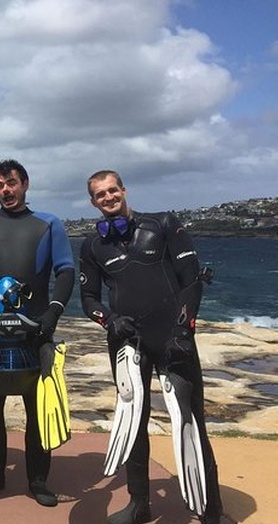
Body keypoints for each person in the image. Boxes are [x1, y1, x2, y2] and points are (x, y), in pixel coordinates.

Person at [79, 170, 222, 524]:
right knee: (133, 424)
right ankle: (139, 503)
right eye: (100, 194)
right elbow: (87, 298)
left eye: (113, 190)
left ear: (124, 190)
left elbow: (191, 281)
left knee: (190, 422)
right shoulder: (93, 245)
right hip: (128, 343)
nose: (109, 198)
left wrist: (183, 330)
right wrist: (109, 320)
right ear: (93, 202)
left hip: (173, 341)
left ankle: (211, 510)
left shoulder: (163, 224)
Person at [0, 159, 75, 506]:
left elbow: (66, 270)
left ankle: (38, 480)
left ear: (25, 184)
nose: (5, 190)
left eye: (11, 183)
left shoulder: (49, 224)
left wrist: (53, 312)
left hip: (36, 330)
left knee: (36, 408)